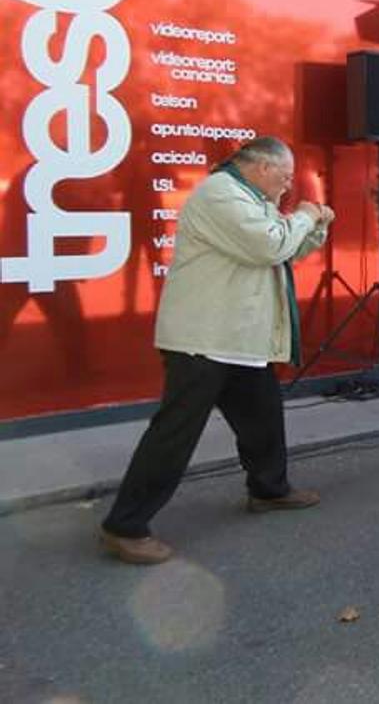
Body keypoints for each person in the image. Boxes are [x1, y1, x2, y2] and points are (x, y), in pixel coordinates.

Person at [100, 137, 334, 565]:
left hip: (237, 339)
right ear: (261, 168)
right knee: (175, 432)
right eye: (284, 176)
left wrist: (313, 225)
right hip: (203, 340)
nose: (286, 185)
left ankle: (269, 490)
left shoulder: (249, 197)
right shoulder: (218, 194)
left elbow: (284, 250)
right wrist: (302, 214)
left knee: (263, 415)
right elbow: (268, 245)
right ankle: (124, 526)